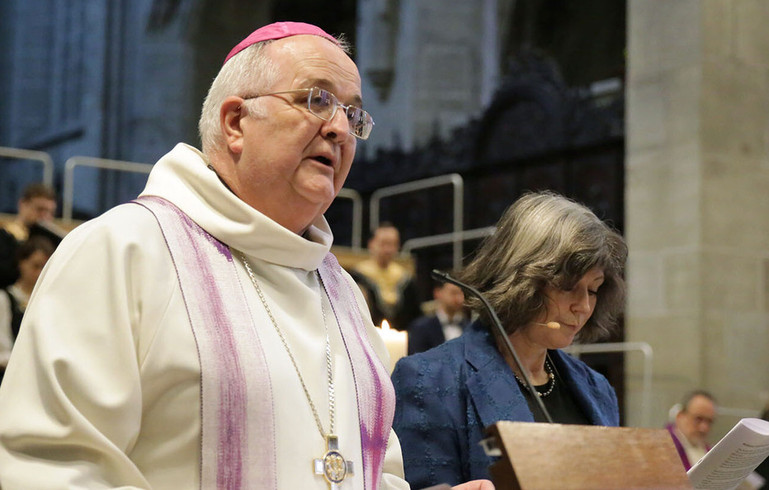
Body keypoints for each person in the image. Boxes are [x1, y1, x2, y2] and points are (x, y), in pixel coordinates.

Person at [0, 21, 492, 490]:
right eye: (317, 100)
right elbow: (49, 468)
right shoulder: (123, 250)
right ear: (236, 121)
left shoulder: (344, 292)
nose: (341, 128)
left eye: (353, 113)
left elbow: (368, 470)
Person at [391, 191, 627, 488]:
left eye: (593, 289)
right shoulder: (428, 379)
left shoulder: (597, 388)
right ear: (520, 279)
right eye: (568, 286)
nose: (583, 306)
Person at [0, 236, 54, 383]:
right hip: (10, 376)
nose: (39, 273)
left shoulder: (50, 301)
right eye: (35, 266)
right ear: (21, 263)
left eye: (44, 267)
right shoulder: (5, 298)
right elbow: (2, 351)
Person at [353, 223, 422, 330]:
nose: (388, 250)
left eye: (393, 244)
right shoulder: (357, 276)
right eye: (383, 244)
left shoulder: (405, 278)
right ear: (371, 244)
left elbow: (415, 316)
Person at [0, 183, 57, 288]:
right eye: (40, 209)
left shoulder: (52, 240)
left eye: (49, 212)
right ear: (22, 204)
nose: (44, 216)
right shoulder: (5, 237)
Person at [407, 280, 468, 355]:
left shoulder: (470, 326)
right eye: (453, 293)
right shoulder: (421, 328)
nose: (459, 299)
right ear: (438, 293)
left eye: (461, 294)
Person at [666, 390, 717, 471]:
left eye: (709, 421)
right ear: (680, 416)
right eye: (698, 419)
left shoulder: (711, 453)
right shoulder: (662, 448)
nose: (704, 428)